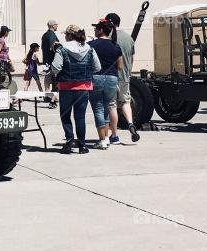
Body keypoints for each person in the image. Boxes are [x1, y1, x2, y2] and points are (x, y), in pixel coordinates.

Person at [50, 25, 101, 154]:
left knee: (65, 115)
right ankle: (82, 146)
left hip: (66, 87)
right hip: (83, 87)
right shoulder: (89, 48)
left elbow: (56, 68)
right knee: (80, 117)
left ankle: (69, 139)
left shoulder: (62, 49)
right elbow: (98, 67)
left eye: (66, 34)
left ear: (69, 35)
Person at [105, 12, 140, 143]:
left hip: (111, 76)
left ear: (111, 23)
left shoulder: (107, 37)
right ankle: (130, 123)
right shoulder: (129, 38)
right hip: (125, 76)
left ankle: (114, 135)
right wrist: (128, 74)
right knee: (125, 102)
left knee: (112, 105)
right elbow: (131, 59)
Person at [88, 20, 123, 149]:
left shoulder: (91, 45)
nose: (94, 31)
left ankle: (102, 139)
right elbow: (120, 66)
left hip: (96, 77)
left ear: (101, 30)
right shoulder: (115, 45)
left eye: (96, 28)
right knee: (108, 107)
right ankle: (107, 137)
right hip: (112, 78)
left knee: (98, 108)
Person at [41, 20, 60, 107]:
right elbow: (53, 47)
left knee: (47, 79)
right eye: (56, 25)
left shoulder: (44, 35)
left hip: (46, 60)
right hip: (52, 60)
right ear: (52, 26)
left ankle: (47, 96)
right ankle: (53, 98)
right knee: (55, 80)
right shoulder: (51, 35)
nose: (57, 26)